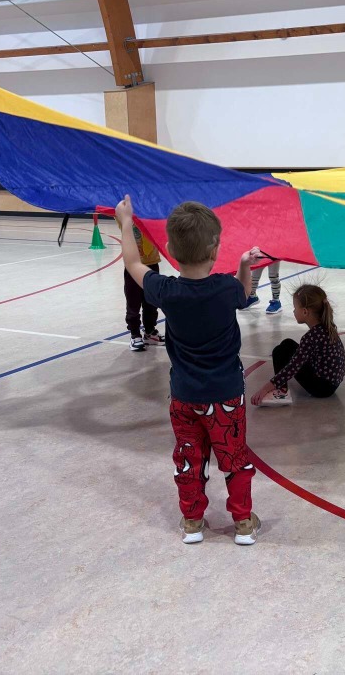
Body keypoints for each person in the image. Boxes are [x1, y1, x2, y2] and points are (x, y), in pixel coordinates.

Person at [116, 196, 263, 546]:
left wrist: (126, 221)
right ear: (215, 251)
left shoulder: (166, 291)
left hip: (184, 397)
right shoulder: (226, 288)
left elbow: (133, 262)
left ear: (168, 249)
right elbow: (244, 293)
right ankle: (243, 523)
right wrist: (244, 265)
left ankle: (193, 521)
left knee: (189, 459)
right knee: (234, 457)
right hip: (227, 396)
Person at [252, 284, 345, 407]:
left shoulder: (311, 337)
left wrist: (265, 388)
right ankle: (281, 387)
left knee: (279, 352)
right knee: (287, 344)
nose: (294, 311)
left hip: (322, 388)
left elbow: (293, 367)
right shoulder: (327, 327)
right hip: (332, 383)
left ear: (305, 312)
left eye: (295, 308)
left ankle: (281, 391)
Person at [124, 224, 164, 350]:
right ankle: (135, 334)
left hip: (152, 263)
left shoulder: (151, 216)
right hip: (133, 266)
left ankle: (150, 331)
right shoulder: (126, 219)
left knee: (151, 301)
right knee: (133, 301)